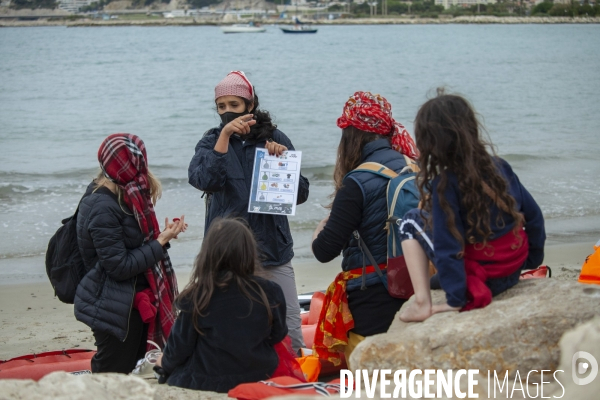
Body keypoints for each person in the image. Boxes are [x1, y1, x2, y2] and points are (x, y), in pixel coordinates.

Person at [398, 91, 546, 322]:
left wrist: (456, 300)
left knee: (410, 220)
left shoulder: (445, 184)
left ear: (431, 143)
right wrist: (533, 260)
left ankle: (422, 303)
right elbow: (534, 216)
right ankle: (436, 289)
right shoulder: (499, 166)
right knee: (437, 281)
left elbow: (449, 246)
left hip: (486, 278)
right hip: (513, 269)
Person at [188, 71, 310, 353]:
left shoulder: (275, 138)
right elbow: (205, 181)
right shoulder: (210, 141)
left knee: (289, 321)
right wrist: (225, 136)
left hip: (273, 247)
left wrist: (281, 165)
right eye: (222, 106)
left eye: (234, 105)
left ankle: (295, 377)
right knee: (231, 322)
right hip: (227, 252)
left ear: (250, 104)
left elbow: (301, 194)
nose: (228, 112)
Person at [311, 91, 420, 365]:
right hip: (418, 284)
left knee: (370, 381)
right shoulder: (414, 166)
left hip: (372, 295)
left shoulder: (357, 181)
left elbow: (325, 251)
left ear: (351, 135)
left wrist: (318, 232)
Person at [74, 133, 186, 373]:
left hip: (130, 299)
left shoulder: (124, 194)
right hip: (111, 305)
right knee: (112, 372)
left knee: (130, 367)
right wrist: (160, 242)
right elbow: (119, 267)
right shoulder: (102, 206)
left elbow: (133, 246)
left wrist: (163, 238)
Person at [155, 218, 294, 392]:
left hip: (208, 380)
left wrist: (164, 364)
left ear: (208, 254)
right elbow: (278, 334)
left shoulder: (199, 295)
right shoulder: (270, 291)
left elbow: (180, 347)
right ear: (249, 252)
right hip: (258, 373)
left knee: (168, 367)